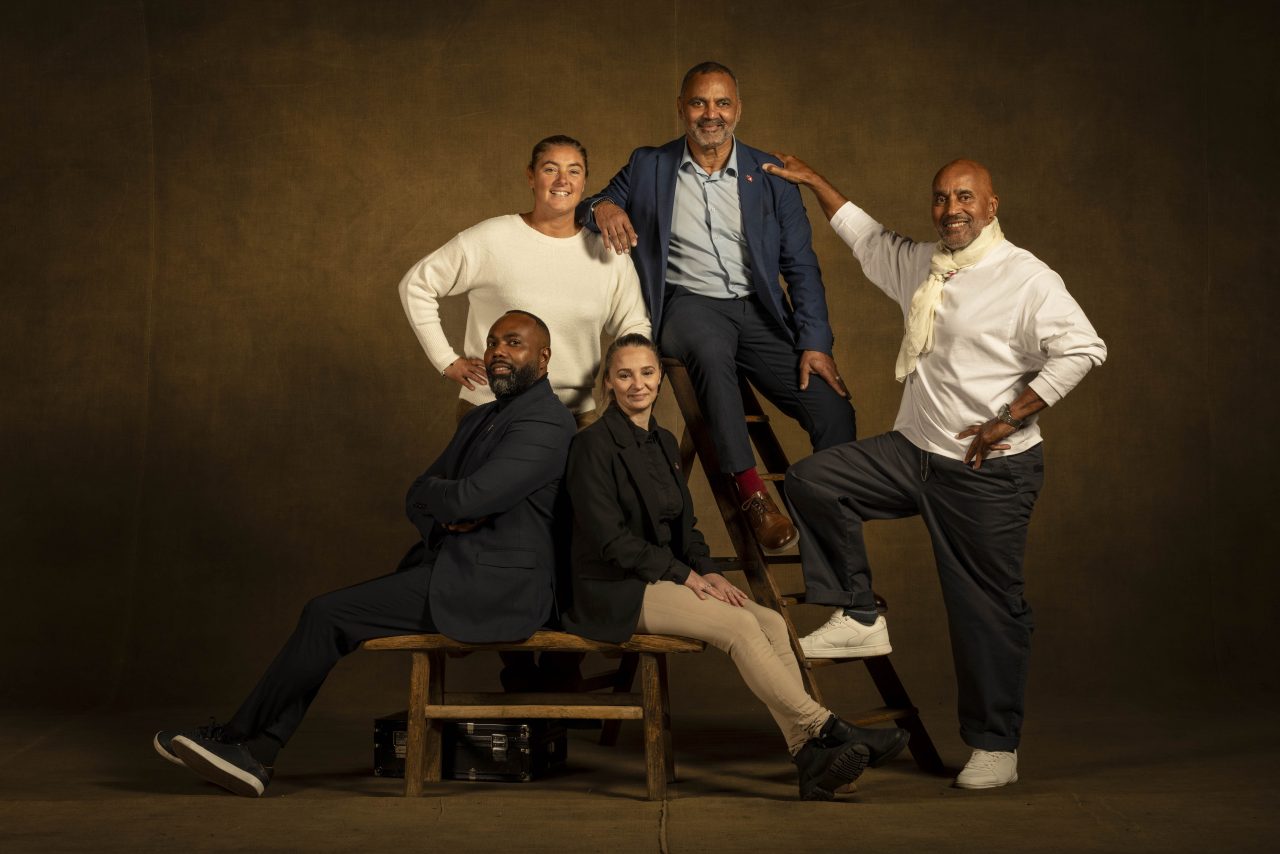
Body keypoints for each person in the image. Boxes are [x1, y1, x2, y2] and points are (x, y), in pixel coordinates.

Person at [762, 154, 1108, 789]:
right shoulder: (926, 266)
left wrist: (1009, 417)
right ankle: (859, 615)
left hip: (986, 471)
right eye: (943, 198)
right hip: (915, 452)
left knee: (986, 611)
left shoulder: (1025, 277)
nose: (952, 210)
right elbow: (868, 238)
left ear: (992, 206)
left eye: (966, 198)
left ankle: (996, 746)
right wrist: (814, 183)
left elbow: (1083, 348)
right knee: (814, 481)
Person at [153, 311, 576, 797]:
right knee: (329, 617)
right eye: (493, 341)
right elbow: (417, 492)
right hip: (456, 570)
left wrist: (451, 501)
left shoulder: (547, 422)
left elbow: (467, 499)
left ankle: (244, 743)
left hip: (498, 589)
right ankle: (253, 749)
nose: (498, 351)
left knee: (327, 615)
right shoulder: (482, 418)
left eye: (514, 343)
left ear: (544, 358)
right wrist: (446, 507)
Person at [561, 334, 907, 800]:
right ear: (608, 382)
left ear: (659, 378)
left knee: (770, 622)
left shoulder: (663, 441)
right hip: (613, 587)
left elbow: (686, 528)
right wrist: (686, 576)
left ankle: (807, 757)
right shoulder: (591, 446)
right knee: (739, 627)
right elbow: (610, 541)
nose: (637, 384)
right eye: (624, 375)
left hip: (663, 575)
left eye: (646, 372)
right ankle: (827, 728)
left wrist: (708, 571)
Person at [577, 62, 855, 554]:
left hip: (758, 312)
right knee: (709, 351)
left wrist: (815, 342)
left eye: (722, 102)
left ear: (738, 110)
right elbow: (589, 204)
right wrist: (604, 206)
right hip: (688, 306)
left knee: (832, 409)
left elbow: (801, 266)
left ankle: (828, 528)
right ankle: (752, 495)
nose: (711, 114)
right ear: (681, 108)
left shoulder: (770, 175)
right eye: (699, 102)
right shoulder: (649, 164)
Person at [399, 134, 649, 429]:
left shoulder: (608, 252)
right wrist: (445, 359)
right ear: (531, 176)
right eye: (550, 169)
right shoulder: (492, 238)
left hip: (576, 415)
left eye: (574, 171)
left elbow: (634, 324)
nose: (562, 181)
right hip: (495, 411)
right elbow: (416, 285)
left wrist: (625, 380)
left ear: (584, 182)